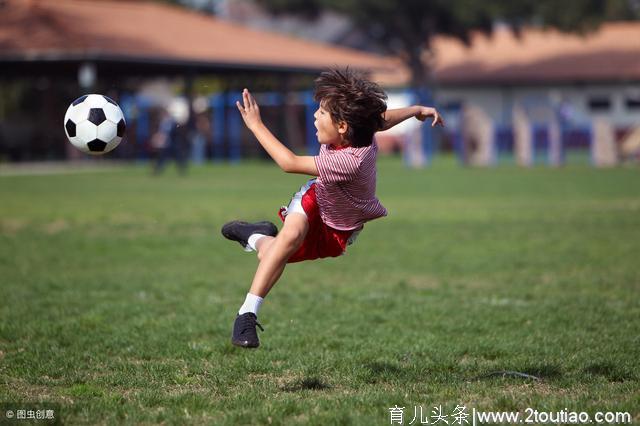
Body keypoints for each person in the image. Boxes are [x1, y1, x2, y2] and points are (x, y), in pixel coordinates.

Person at [222, 69, 444, 348]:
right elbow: (379, 120)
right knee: (289, 238)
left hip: (337, 228)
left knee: (273, 254)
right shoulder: (358, 131)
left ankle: (255, 236)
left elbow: (289, 162)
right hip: (315, 201)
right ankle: (246, 316)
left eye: (322, 113)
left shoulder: (350, 160)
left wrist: (255, 124)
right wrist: (415, 110)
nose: (315, 116)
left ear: (342, 127)